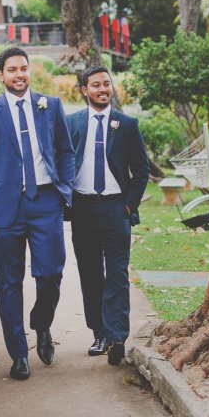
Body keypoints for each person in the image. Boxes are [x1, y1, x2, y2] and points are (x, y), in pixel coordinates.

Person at [0, 46, 75, 381]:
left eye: (23, 68)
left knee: (51, 273)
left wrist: (64, 190)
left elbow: (65, 151)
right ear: (1, 75)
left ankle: (42, 323)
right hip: (4, 208)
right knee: (10, 282)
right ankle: (18, 354)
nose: (19, 74)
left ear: (29, 71)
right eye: (12, 70)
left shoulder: (50, 105)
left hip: (45, 203)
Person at [66, 65, 150, 366]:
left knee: (117, 274)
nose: (102, 89)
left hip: (116, 209)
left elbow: (142, 169)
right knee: (90, 274)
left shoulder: (126, 124)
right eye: (95, 85)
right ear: (84, 90)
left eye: (106, 84)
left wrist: (128, 205)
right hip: (83, 209)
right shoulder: (71, 123)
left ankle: (117, 337)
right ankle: (99, 334)